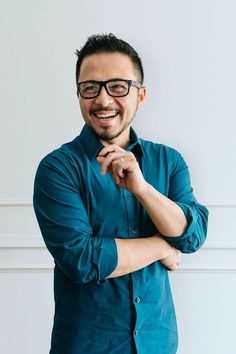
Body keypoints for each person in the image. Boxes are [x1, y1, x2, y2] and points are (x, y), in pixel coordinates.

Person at [33, 33, 208, 354]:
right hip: (87, 346)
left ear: (140, 95)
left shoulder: (169, 162)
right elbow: (82, 259)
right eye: (90, 88)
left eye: (117, 86)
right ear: (79, 95)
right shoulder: (57, 168)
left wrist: (141, 188)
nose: (103, 100)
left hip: (157, 343)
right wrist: (160, 247)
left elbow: (191, 236)